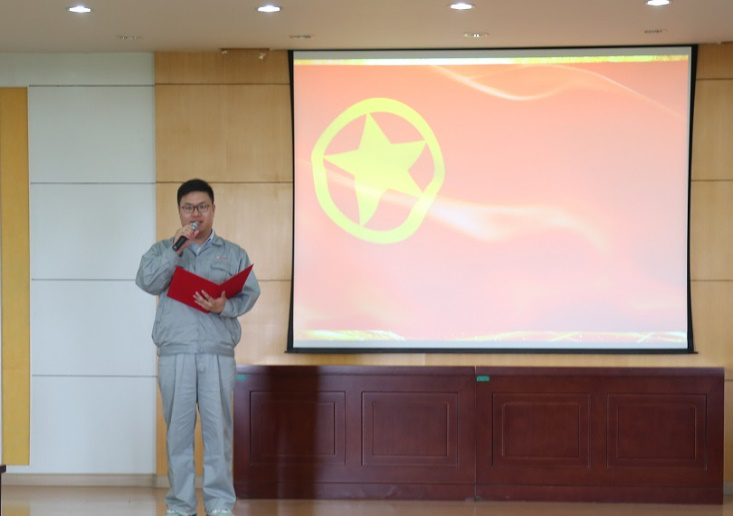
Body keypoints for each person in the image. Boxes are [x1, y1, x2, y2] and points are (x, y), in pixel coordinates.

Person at [136, 178, 260, 516]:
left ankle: (219, 505)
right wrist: (175, 250)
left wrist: (224, 307)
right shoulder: (163, 250)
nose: (196, 214)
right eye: (188, 207)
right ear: (179, 211)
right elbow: (147, 281)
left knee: (218, 434)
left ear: (213, 209)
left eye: (202, 207)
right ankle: (180, 506)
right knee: (178, 435)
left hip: (216, 352)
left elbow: (250, 293)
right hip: (175, 352)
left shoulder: (233, 252)